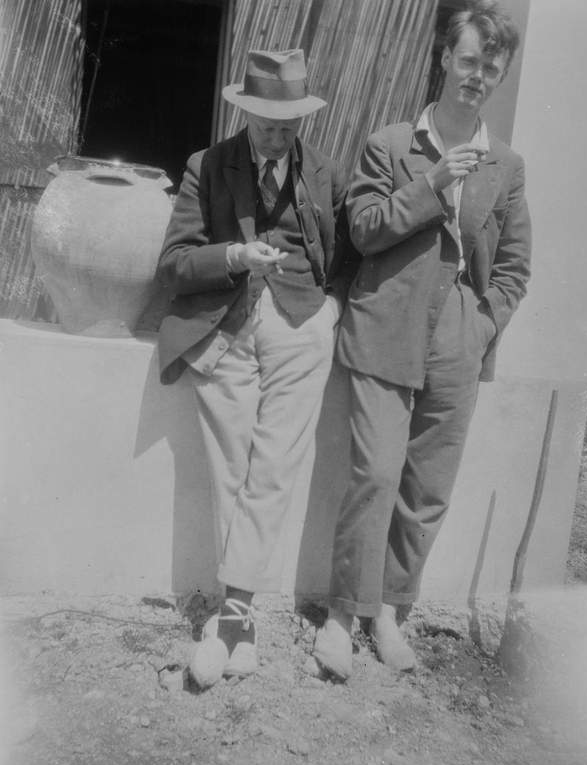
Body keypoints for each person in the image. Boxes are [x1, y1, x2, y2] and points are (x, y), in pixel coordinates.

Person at [313, 0, 532, 680]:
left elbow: (516, 264)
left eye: (489, 67)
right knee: (375, 475)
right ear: (443, 59)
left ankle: (391, 614)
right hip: (384, 328)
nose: (477, 76)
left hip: (456, 340)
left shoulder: (506, 164)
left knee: (427, 487)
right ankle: (343, 617)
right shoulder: (391, 144)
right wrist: (436, 182)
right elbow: (365, 229)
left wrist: (483, 321)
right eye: (467, 61)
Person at [155, 49, 353, 689]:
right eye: (268, 121)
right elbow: (175, 263)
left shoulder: (323, 170)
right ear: (246, 112)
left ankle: (231, 617)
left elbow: (348, 249)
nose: (279, 133)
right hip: (228, 322)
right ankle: (240, 622)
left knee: (275, 467)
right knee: (233, 466)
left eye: (290, 122)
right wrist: (236, 254)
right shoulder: (207, 167)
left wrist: (330, 309)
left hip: (301, 325)